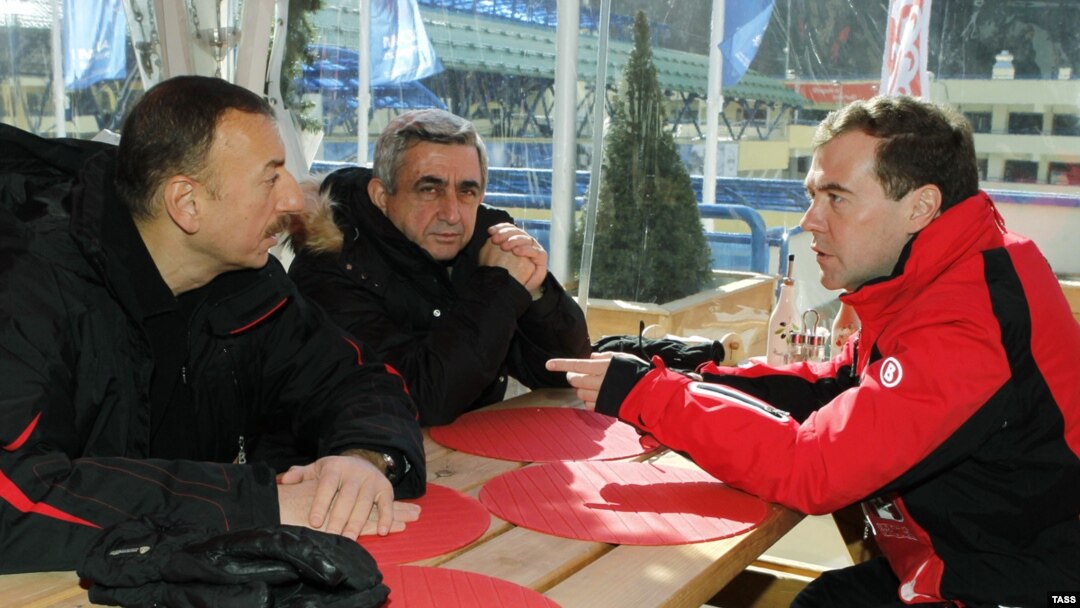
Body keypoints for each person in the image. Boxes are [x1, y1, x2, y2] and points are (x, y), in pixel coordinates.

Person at [548, 95, 1080, 606]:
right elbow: (837, 385)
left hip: (1028, 585)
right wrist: (694, 375)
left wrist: (652, 399)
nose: (809, 220)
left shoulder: (969, 320)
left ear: (921, 206)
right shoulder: (946, 273)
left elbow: (813, 468)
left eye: (836, 197)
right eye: (812, 196)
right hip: (971, 559)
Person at [0, 75, 426, 574]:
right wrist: (258, 505)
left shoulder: (245, 280)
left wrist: (363, 459)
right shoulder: (28, 286)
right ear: (187, 203)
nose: (293, 199)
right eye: (271, 177)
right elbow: (15, 497)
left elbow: (356, 379)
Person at [288, 109, 591, 426]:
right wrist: (498, 288)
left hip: (467, 454)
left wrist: (535, 290)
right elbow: (418, 399)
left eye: (467, 191)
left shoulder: (484, 240)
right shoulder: (330, 269)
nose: (452, 213)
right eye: (429, 190)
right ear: (381, 196)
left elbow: (566, 372)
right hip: (354, 466)